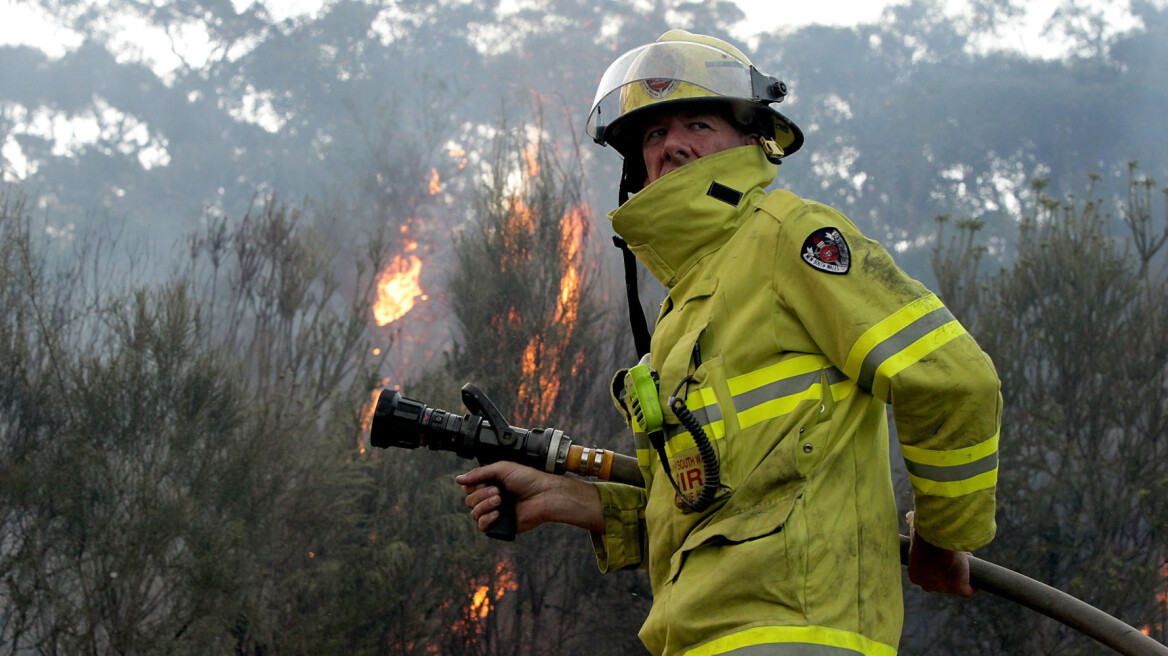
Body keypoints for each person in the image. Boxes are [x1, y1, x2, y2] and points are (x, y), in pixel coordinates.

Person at [458, 29, 1001, 656]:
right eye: (655, 135)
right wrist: (571, 501)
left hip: (796, 627)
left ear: (752, 140)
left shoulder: (787, 236)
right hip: (699, 637)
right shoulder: (680, 314)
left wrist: (940, 539)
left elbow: (954, 380)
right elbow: (710, 502)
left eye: (697, 123)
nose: (673, 145)